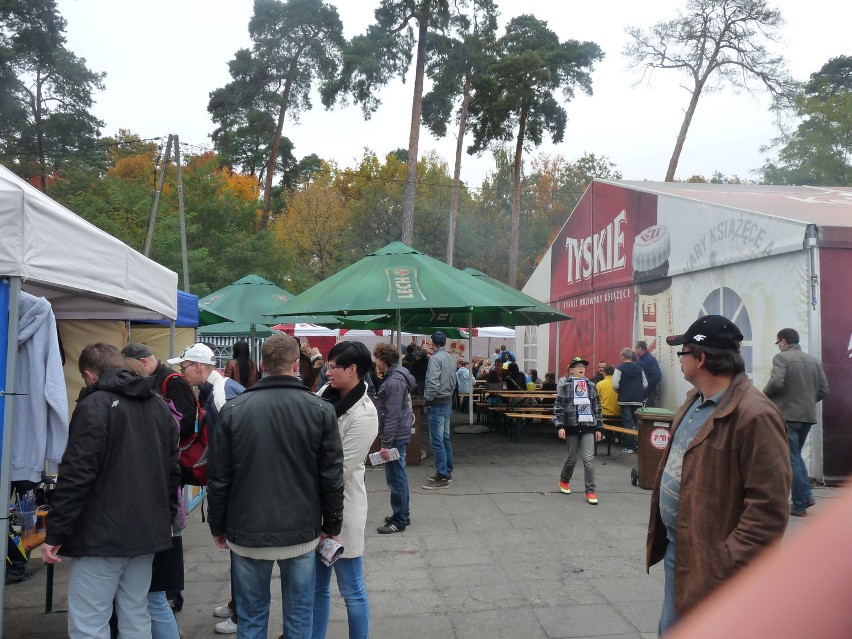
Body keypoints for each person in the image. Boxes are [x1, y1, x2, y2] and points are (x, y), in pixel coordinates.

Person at [647, 315, 791, 636]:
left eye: (683, 352)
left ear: (701, 358)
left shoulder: (756, 415)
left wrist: (726, 560)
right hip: (680, 548)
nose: (680, 359)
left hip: (713, 562)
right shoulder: (694, 400)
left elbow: (769, 510)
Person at [207, 333, 344, 639]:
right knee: (298, 617)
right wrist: (332, 523)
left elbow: (219, 478)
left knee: (252, 617)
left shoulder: (233, 409)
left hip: (247, 529)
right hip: (301, 529)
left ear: (262, 365)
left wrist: (218, 525)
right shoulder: (320, 410)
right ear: (296, 364)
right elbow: (331, 476)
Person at [42, 343, 179, 639]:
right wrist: (167, 519)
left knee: (90, 622)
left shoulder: (94, 405)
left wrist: (55, 532)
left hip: (101, 536)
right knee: (136, 613)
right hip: (145, 531)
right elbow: (171, 471)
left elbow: (76, 474)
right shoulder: (156, 404)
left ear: (90, 376)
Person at [167, 343, 244, 635]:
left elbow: (232, 446)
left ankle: (241, 612)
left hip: (233, 485)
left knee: (239, 550)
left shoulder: (223, 393)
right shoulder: (219, 389)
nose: (181, 373)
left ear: (199, 367)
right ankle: (238, 603)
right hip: (229, 483)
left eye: (183, 367)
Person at [313, 341, 378, 639]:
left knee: (351, 589)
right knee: (316, 588)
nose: (328, 371)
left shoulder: (364, 414)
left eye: (333, 366)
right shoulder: (321, 397)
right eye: (327, 365)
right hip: (313, 507)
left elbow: (341, 468)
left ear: (353, 370)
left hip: (342, 510)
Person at [762, 327, 829, 517]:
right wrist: (807, 402)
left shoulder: (782, 358)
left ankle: (799, 504)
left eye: (778, 343)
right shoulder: (814, 361)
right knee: (796, 456)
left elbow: (776, 382)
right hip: (807, 416)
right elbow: (824, 390)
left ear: (783, 342)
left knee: (791, 457)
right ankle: (806, 496)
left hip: (787, 415)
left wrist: (764, 396)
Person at [372, 342, 416, 534]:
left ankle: (400, 519)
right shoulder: (396, 377)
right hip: (399, 434)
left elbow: (392, 414)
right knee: (397, 476)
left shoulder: (393, 382)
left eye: (377, 358)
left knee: (396, 478)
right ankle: (402, 513)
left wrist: (386, 444)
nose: (376, 361)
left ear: (383, 359)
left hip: (396, 436)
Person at [121, 342, 198, 442]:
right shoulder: (155, 379)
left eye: (130, 369)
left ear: (144, 362)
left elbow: (185, 424)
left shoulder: (173, 382)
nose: (129, 375)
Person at [553, 357, 603, 505]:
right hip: (572, 427)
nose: (581, 368)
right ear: (571, 370)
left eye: (583, 366)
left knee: (589, 459)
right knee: (572, 457)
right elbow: (558, 407)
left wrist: (599, 427)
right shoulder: (565, 386)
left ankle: (590, 491)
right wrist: (560, 426)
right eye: (578, 366)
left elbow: (597, 408)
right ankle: (564, 480)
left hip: (588, 427)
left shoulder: (591, 386)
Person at [422, 331, 457, 489]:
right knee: (445, 439)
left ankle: (442, 475)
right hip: (448, 401)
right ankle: (447, 472)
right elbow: (453, 380)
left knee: (437, 441)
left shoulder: (435, 359)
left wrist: (428, 400)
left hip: (437, 402)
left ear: (432, 343)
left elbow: (433, 382)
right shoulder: (451, 358)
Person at [612, 348, 647, 453]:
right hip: (638, 398)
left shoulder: (619, 368)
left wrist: (619, 390)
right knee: (639, 422)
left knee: (628, 422)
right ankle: (640, 445)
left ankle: (629, 446)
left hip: (624, 399)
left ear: (623, 356)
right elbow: (645, 384)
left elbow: (615, 384)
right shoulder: (639, 368)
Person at [635, 341, 662, 407]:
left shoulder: (650, 360)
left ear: (640, 348)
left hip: (649, 394)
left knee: (648, 415)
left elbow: (657, 376)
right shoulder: (639, 359)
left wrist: (646, 387)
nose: (635, 350)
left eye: (636, 348)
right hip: (641, 393)